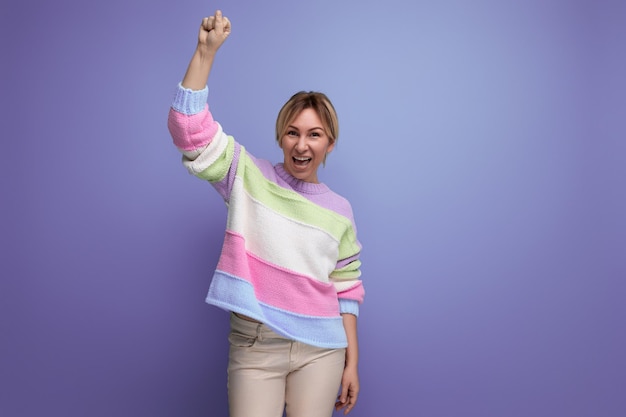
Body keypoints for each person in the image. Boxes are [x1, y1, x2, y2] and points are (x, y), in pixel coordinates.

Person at [167, 10, 364, 417]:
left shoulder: (340, 210)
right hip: (256, 344)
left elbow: (347, 290)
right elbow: (189, 129)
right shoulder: (247, 174)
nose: (302, 144)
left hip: (322, 349)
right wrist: (205, 53)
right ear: (280, 136)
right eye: (293, 132)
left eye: (315, 134)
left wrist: (352, 363)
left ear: (329, 143)